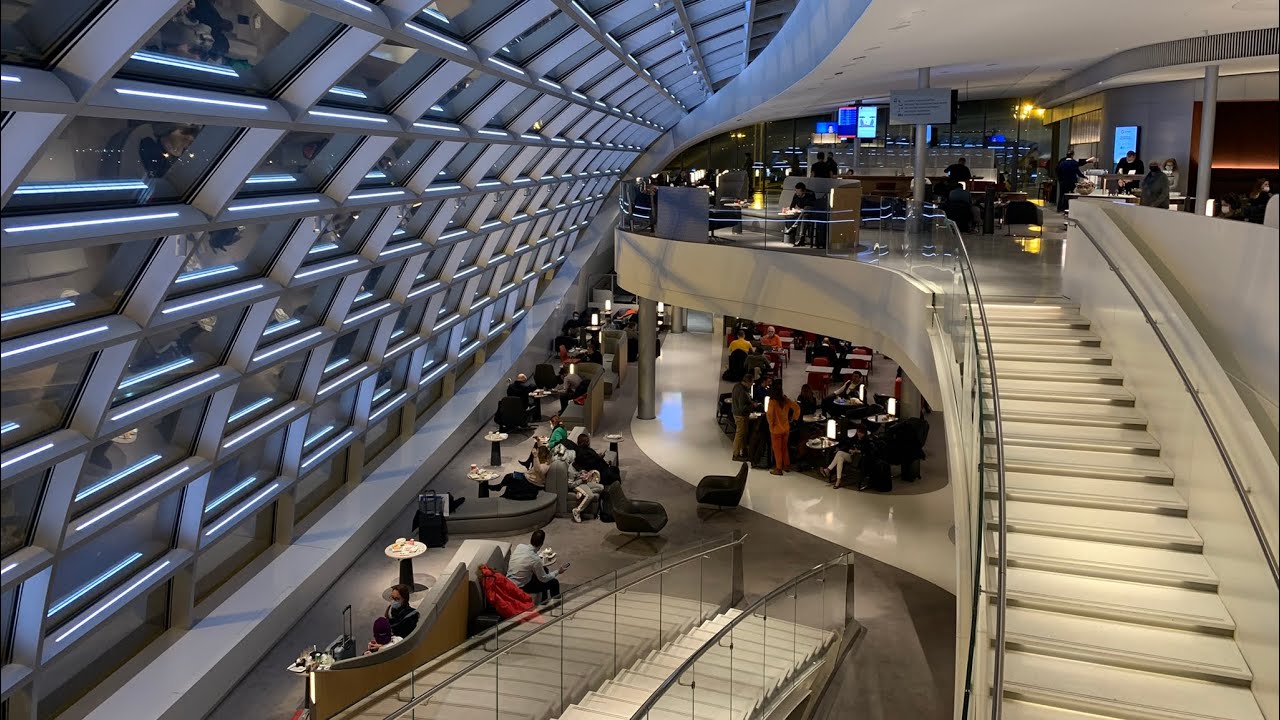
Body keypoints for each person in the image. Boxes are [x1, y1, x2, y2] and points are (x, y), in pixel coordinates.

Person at [507, 530, 566, 598]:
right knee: (554, 583)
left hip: (509, 580)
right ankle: (556, 603)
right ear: (541, 544)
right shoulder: (535, 560)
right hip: (520, 586)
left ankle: (544, 599)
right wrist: (558, 571)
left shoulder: (520, 546)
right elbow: (543, 578)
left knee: (545, 570)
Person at [765, 383, 800, 475]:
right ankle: (787, 465)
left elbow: (770, 415)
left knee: (777, 449)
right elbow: (797, 408)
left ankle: (778, 468)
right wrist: (794, 418)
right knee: (784, 447)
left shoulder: (772, 402)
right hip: (786, 428)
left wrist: (771, 425)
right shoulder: (786, 400)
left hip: (776, 430)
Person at [821, 425, 871, 489]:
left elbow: (867, 451)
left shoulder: (866, 441)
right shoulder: (854, 438)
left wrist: (857, 451)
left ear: (864, 433)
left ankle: (828, 469)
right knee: (840, 459)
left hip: (858, 459)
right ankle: (838, 480)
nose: (859, 434)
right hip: (850, 456)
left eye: (861, 433)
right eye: (858, 432)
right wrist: (850, 450)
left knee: (839, 453)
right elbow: (848, 446)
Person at [731, 374, 753, 461]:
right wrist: (752, 406)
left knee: (743, 433)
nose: (752, 385)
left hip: (737, 413)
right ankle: (735, 454)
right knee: (740, 434)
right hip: (740, 415)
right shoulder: (742, 392)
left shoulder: (737, 386)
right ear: (747, 382)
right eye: (751, 383)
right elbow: (742, 407)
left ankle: (744, 451)